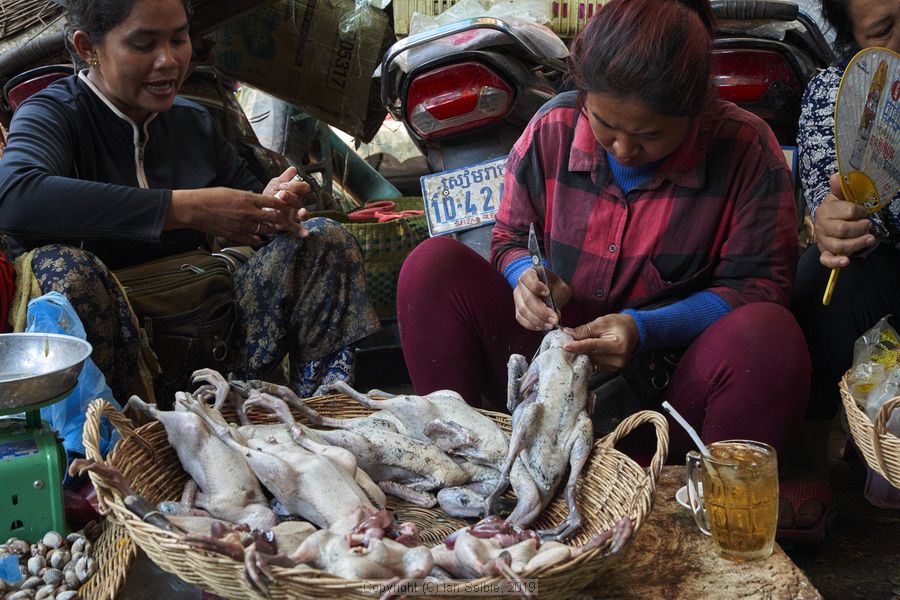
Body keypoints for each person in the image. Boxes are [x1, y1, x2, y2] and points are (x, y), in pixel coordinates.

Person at [398, 0, 810, 472]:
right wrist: (523, 277)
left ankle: (700, 505)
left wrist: (646, 328)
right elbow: (509, 235)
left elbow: (759, 288)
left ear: (697, 113)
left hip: (665, 402)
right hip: (546, 377)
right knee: (431, 268)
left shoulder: (746, 150)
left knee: (768, 338)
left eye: (651, 135)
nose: (625, 148)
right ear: (584, 95)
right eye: (606, 125)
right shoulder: (551, 128)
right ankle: (465, 467)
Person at [0, 0, 380, 405]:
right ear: (87, 47)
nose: (169, 61)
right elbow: (16, 198)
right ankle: (113, 449)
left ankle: (320, 421)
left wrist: (273, 208)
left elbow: (253, 214)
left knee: (322, 240)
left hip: (210, 336)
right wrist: (183, 208)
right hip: (115, 363)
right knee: (59, 267)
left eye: (179, 39)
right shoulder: (53, 112)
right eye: (144, 44)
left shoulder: (194, 120)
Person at [790, 0, 900, 541]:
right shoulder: (838, 92)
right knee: (825, 274)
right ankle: (816, 462)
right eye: (883, 30)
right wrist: (832, 220)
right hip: (888, 277)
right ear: (854, 40)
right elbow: (825, 189)